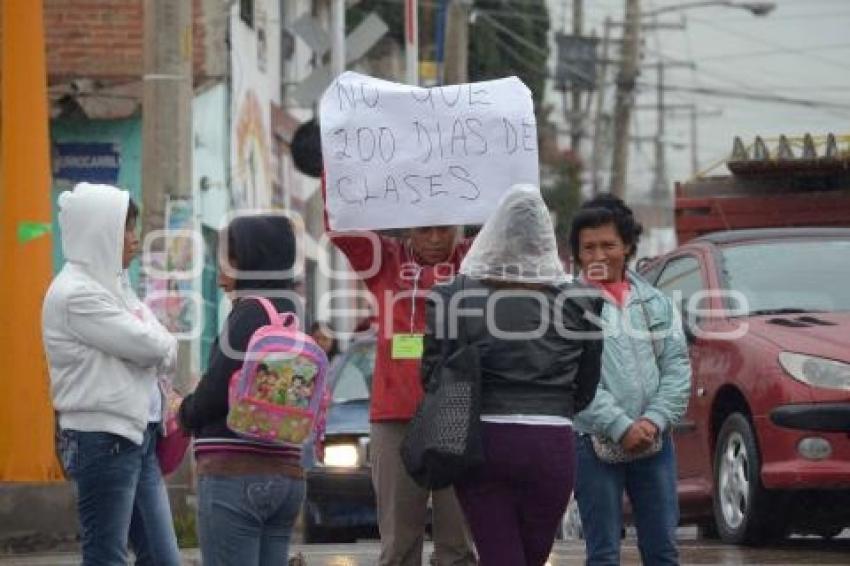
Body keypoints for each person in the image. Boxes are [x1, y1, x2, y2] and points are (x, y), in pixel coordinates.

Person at [422, 185, 604, 566]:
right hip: (552, 442)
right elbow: (586, 388)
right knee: (532, 555)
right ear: (546, 239)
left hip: (481, 441)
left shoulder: (451, 295)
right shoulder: (581, 302)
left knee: (498, 554)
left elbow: (433, 378)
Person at [42, 182, 182, 566]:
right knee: (107, 556)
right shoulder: (75, 294)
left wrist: (158, 347)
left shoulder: (115, 288)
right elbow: (154, 346)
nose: (135, 240)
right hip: (102, 439)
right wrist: (157, 347)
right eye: (126, 230)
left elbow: (164, 349)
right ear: (99, 233)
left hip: (139, 437)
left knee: (163, 558)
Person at [329, 223, 477, 566]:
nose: (436, 239)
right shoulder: (384, 258)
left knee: (458, 547)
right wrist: (330, 169)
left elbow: (512, 217)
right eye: (425, 230)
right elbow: (340, 224)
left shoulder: (474, 258)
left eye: (445, 230)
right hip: (394, 415)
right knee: (398, 546)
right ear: (408, 228)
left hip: (455, 411)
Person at [179, 215, 309, 566]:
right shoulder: (292, 314)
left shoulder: (249, 314)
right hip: (286, 474)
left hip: (235, 474)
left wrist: (183, 411)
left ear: (251, 259)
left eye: (227, 258)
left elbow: (215, 393)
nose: (218, 269)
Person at [570, 194, 692, 566]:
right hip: (592, 444)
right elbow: (573, 380)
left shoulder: (656, 302)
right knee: (603, 554)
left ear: (627, 246)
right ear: (575, 253)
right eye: (587, 247)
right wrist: (621, 426)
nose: (598, 256)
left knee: (663, 552)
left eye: (608, 245)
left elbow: (677, 368)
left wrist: (653, 421)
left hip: (656, 445)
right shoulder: (567, 306)